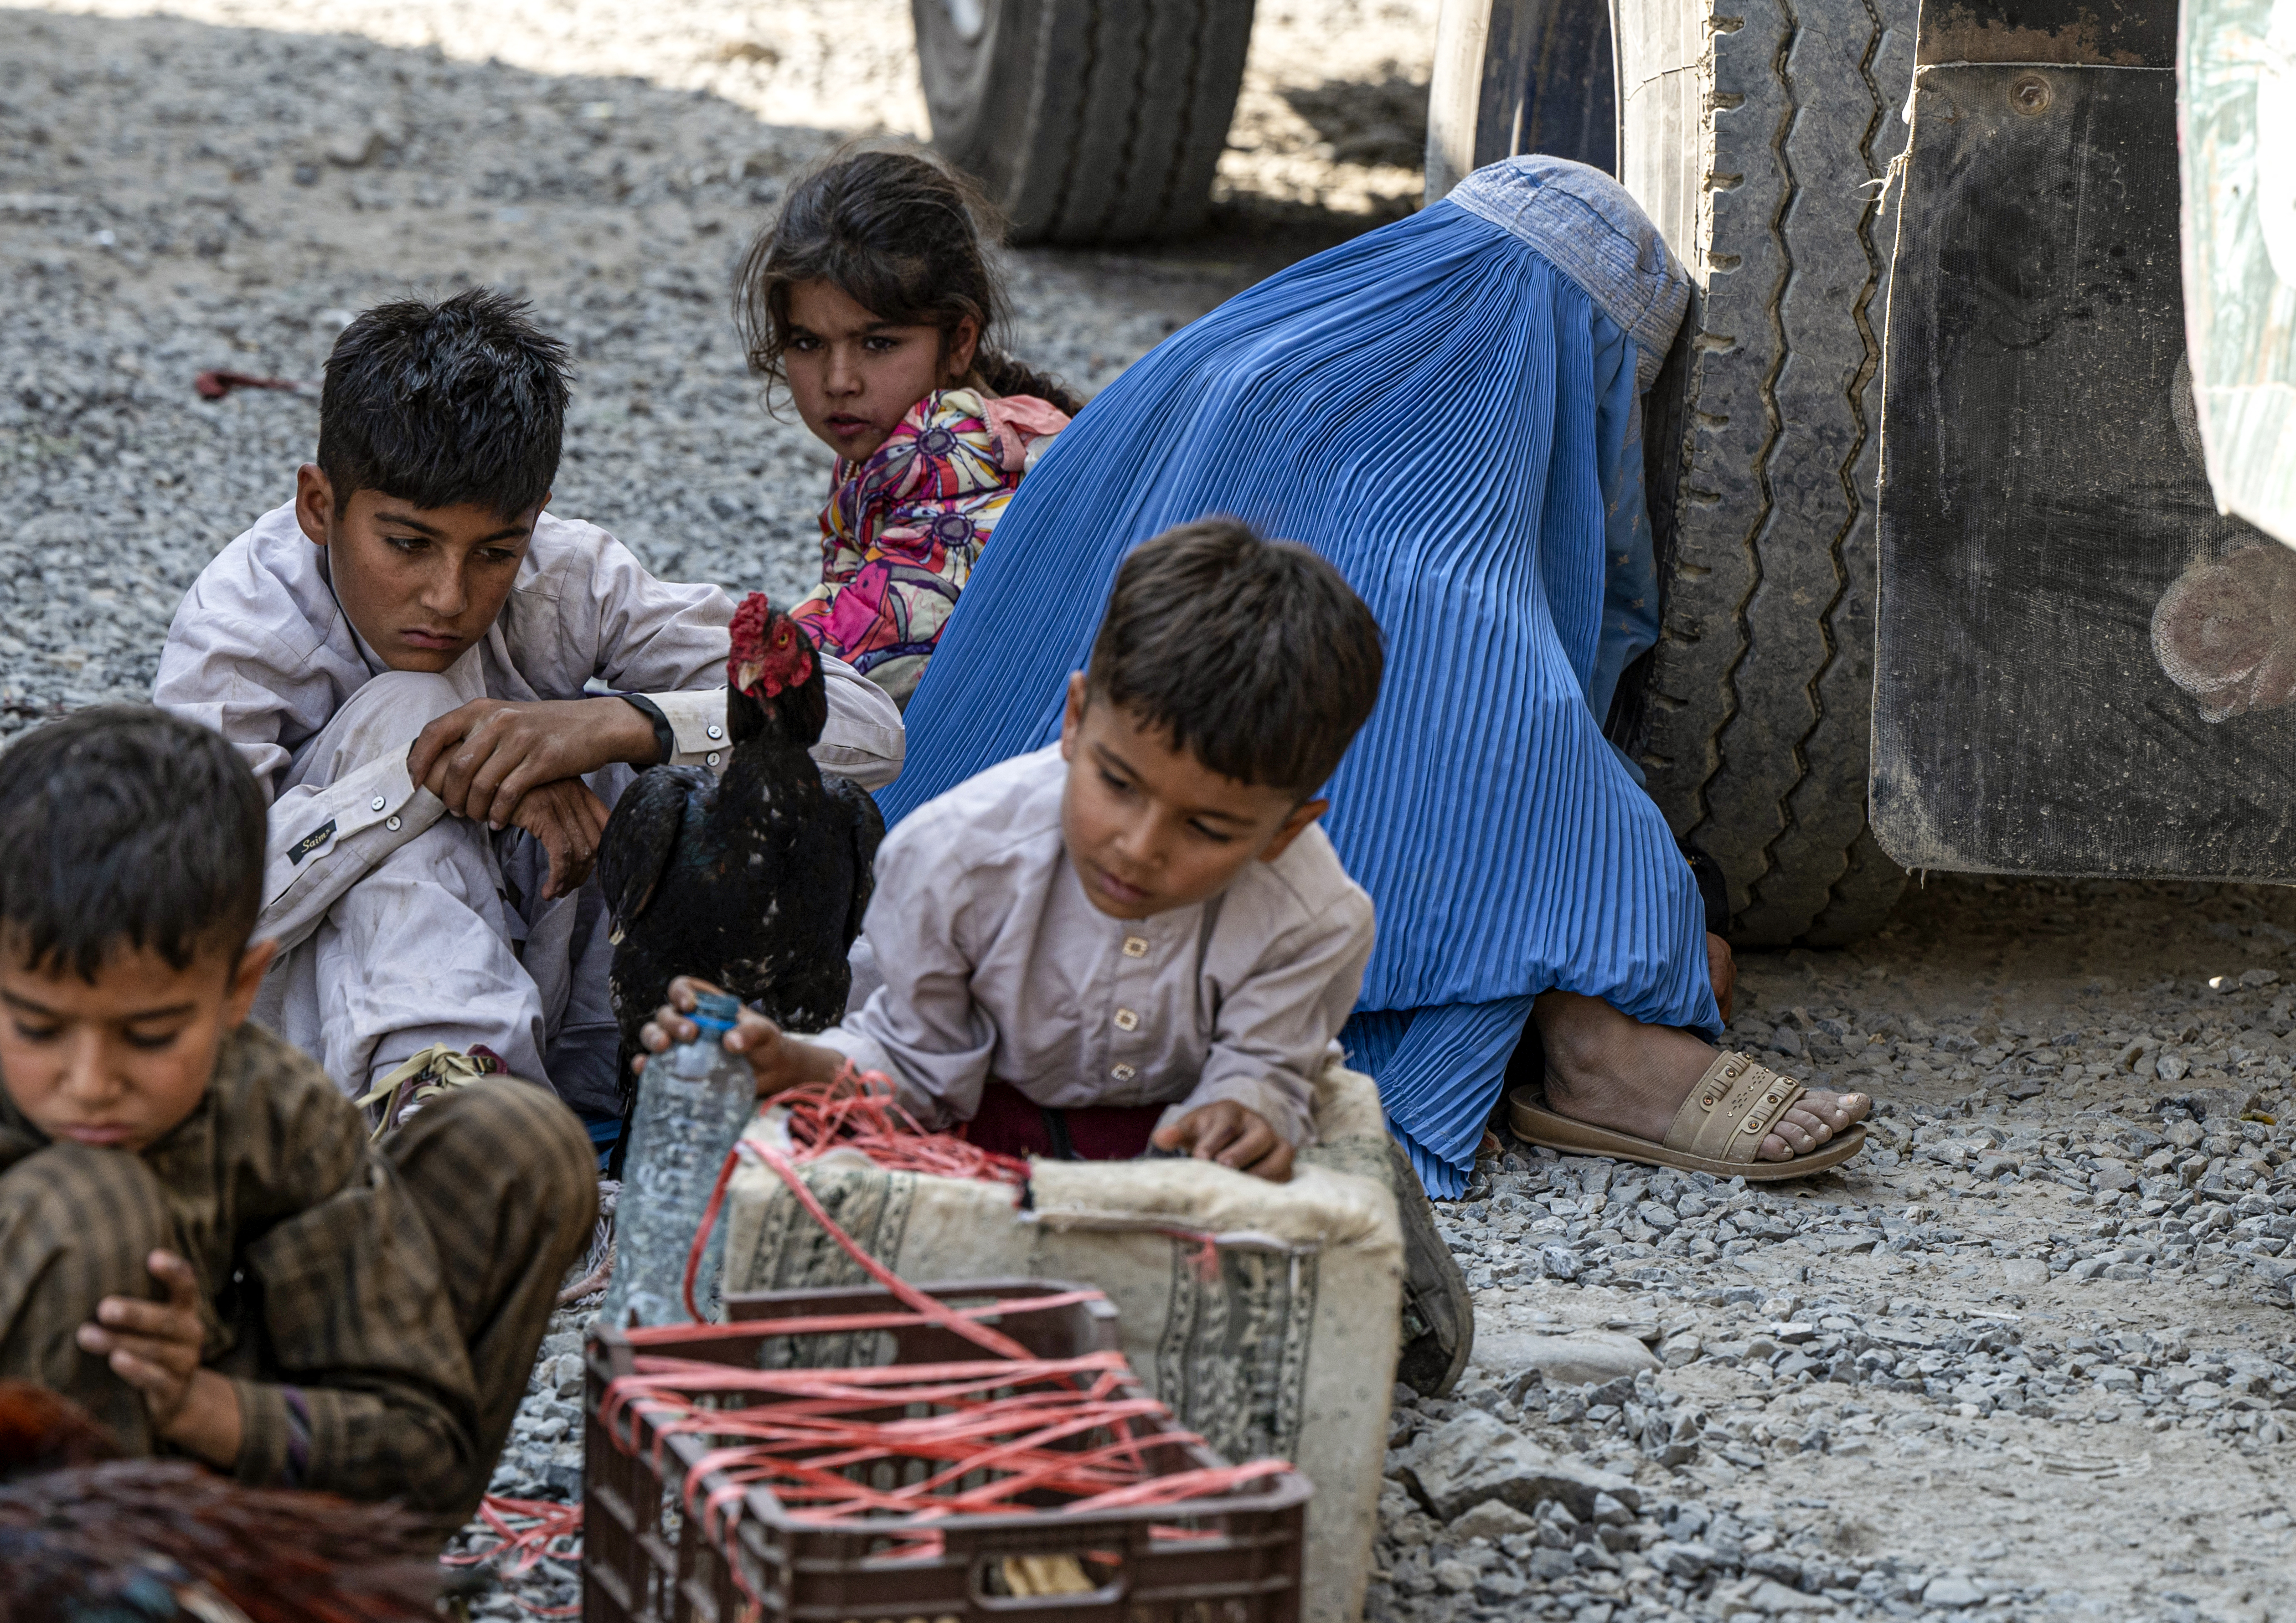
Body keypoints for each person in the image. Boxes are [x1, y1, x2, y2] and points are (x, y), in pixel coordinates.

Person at [873, 156, 1874, 1197]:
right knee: (1509, 721)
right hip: (1141, 867)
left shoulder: (1228, 357)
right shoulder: (1451, 532)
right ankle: (1600, 1049)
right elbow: (1530, 720)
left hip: (1003, 835)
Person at [0, 707, 596, 1543]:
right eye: (38, 1026)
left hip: (221, 1503)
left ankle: (305, 1616)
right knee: (88, 1203)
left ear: (240, 990)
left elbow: (417, 1438)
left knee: (519, 1141)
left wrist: (204, 1404)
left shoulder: (275, 1113)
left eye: (150, 1034)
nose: (90, 1081)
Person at [156, 290, 905, 1126]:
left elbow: (866, 731)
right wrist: (433, 775)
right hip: (315, 1067)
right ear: (319, 506)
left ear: (534, 519)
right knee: (405, 706)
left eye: (494, 552)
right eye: (407, 544)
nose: (447, 595)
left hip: (580, 1025)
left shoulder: (568, 577)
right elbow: (183, 929)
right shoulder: (241, 633)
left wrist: (617, 725)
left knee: (763, 800)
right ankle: (446, 1126)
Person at [642, 519, 1380, 1182]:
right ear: (1075, 718)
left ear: (1285, 829)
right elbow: (914, 1068)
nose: (1138, 846)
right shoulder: (954, 862)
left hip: (1175, 1162)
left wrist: (1243, 1110)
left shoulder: (1314, 917)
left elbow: (1266, 1065)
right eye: (1118, 783)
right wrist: (792, 1063)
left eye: (1207, 830)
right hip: (980, 1141)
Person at [740, 147, 1078, 708]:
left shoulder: (961, 461)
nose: (839, 380)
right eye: (807, 343)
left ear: (960, 340)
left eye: (878, 343)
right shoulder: (899, 445)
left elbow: (840, 669)